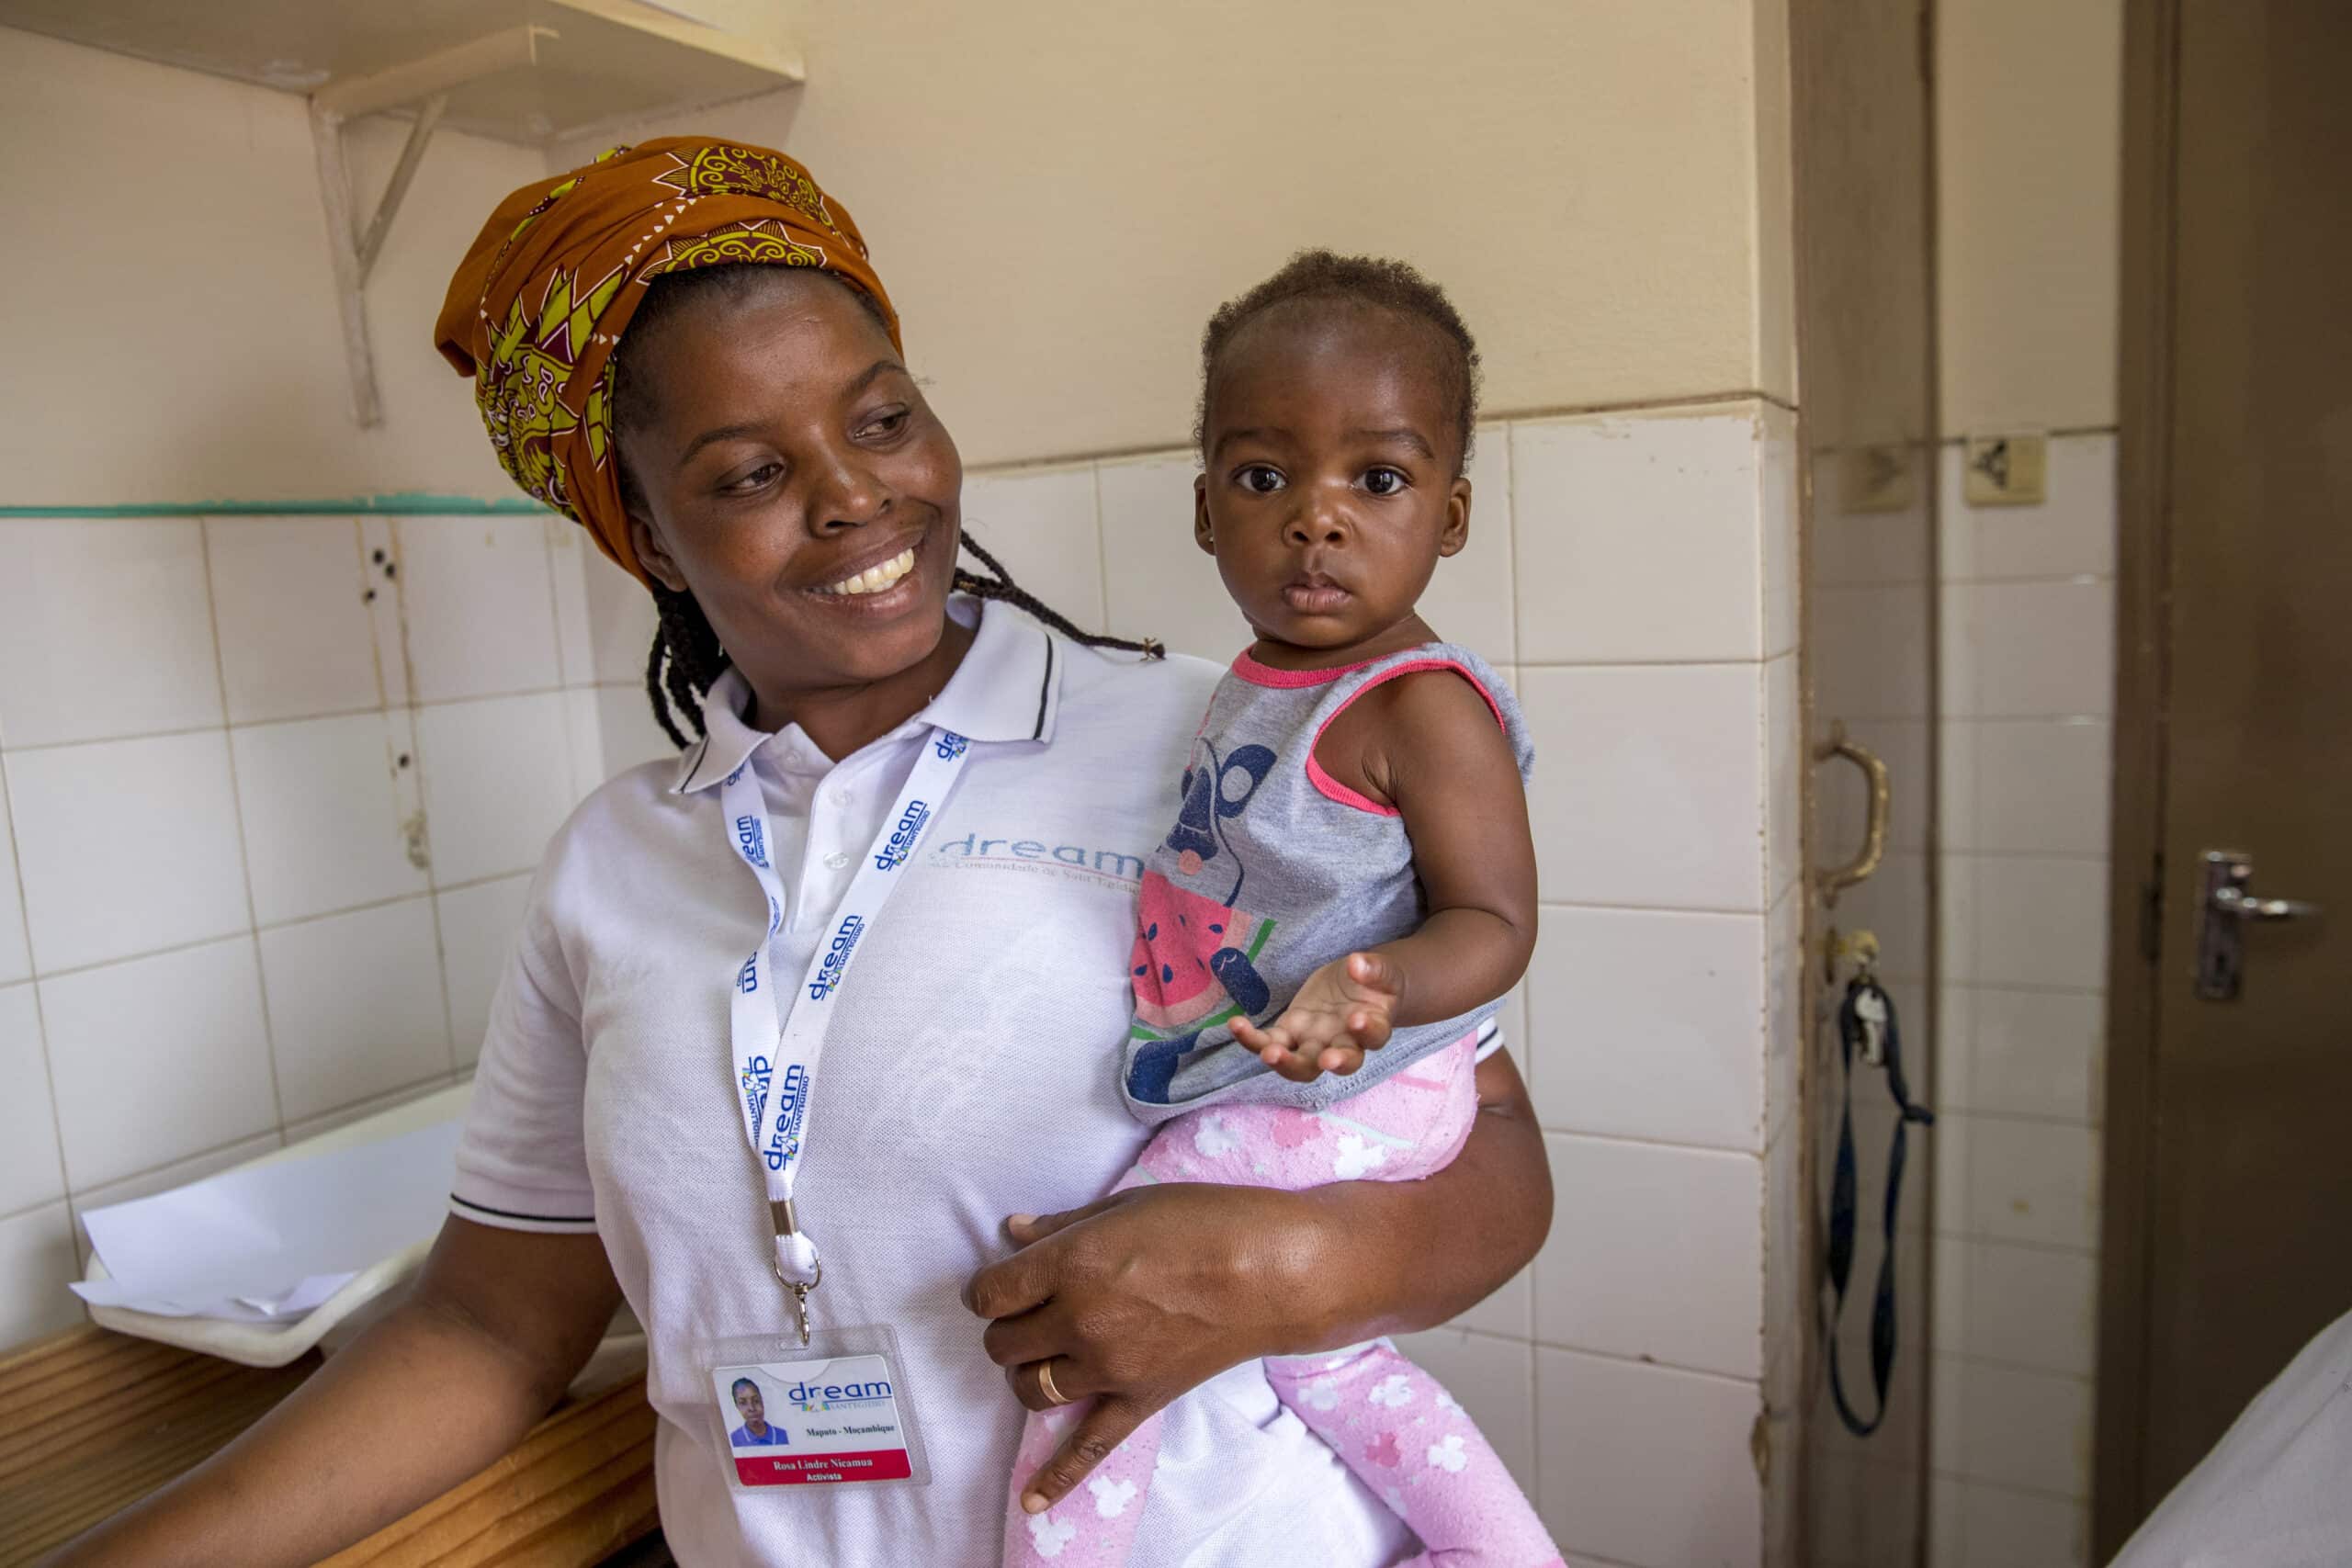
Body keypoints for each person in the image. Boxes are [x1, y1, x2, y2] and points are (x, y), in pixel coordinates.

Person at [46, 138, 1551, 1568]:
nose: (852, 495)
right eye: (749, 473)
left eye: (882, 417)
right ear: (641, 527)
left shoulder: (1210, 749)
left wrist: (1283, 1273)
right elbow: (492, 1329)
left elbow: (1490, 1152)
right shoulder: (611, 868)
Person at [1001, 254, 1559, 1567]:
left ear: (1452, 510)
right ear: (1206, 509)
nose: (1318, 518)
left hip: (1364, 1076)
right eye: (1267, 478)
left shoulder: (1422, 702)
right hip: (1286, 1068)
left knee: (1098, 1302)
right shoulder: (1260, 680)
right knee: (1333, 1369)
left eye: (1377, 479)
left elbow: (1495, 918)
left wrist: (1372, 989)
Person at [727, 1379, 785, 1449]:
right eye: (743, 1403)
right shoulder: (734, 1439)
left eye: (756, 1401)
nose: (751, 1408)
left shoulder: (783, 1435)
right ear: (737, 1407)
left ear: (762, 1402)